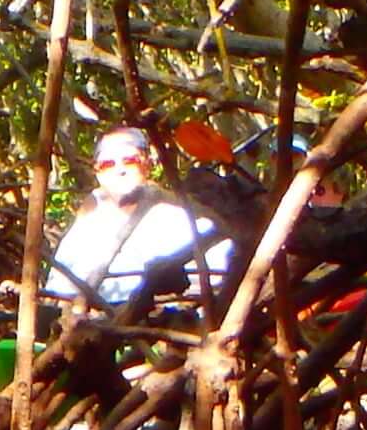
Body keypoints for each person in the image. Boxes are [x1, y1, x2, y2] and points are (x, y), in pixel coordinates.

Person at [44, 126, 230, 314]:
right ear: (97, 172)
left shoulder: (179, 220)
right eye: (108, 164)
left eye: (130, 161)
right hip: (95, 328)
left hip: (164, 326)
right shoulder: (84, 230)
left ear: (147, 164)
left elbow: (217, 280)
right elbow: (58, 292)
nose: (120, 170)